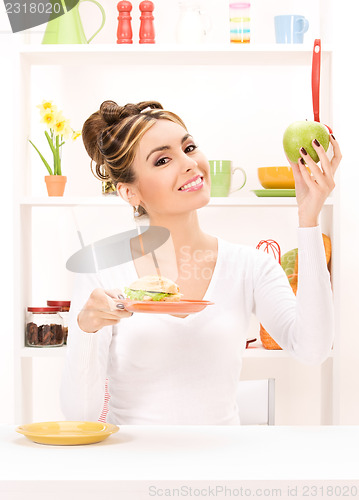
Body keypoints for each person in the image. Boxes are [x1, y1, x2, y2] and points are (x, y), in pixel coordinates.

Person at [60, 100, 341, 425]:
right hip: (133, 465)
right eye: (163, 160)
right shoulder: (102, 269)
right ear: (128, 192)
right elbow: (78, 415)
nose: (189, 163)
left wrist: (309, 218)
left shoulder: (250, 266)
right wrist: (86, 329)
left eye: (189, 147)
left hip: (221, 468)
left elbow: (312, 350)